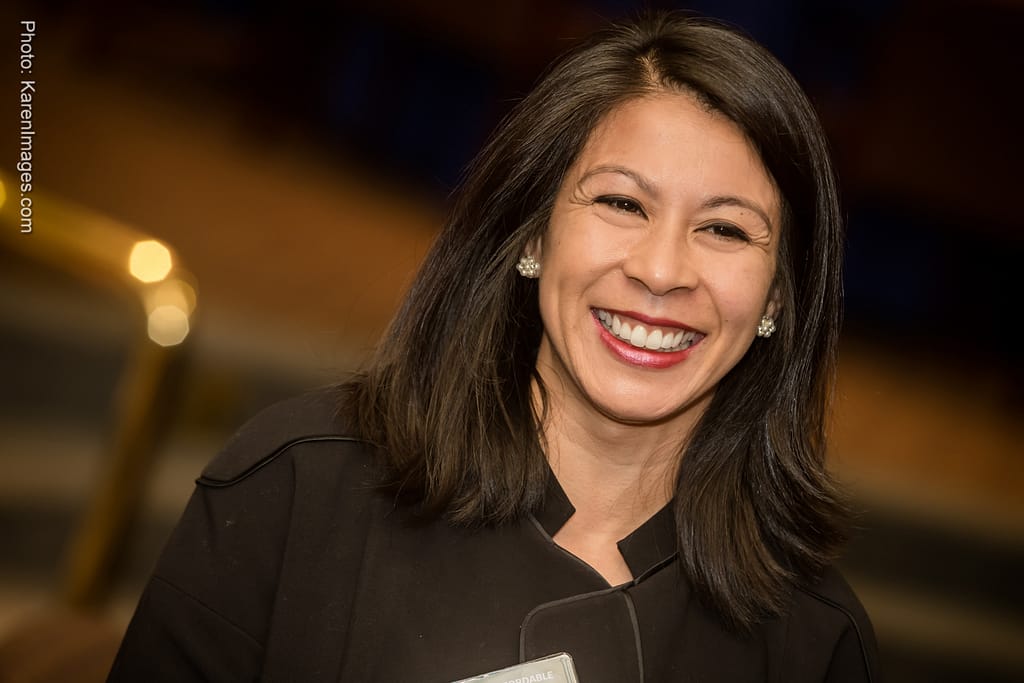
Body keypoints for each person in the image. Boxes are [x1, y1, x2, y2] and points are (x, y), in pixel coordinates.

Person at [108, 12, 878, 682]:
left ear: (778, 295)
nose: (661, 270)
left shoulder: (816, 641)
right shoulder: (298, 484)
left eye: (725, 229)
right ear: (533, 234)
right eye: (620, 202)